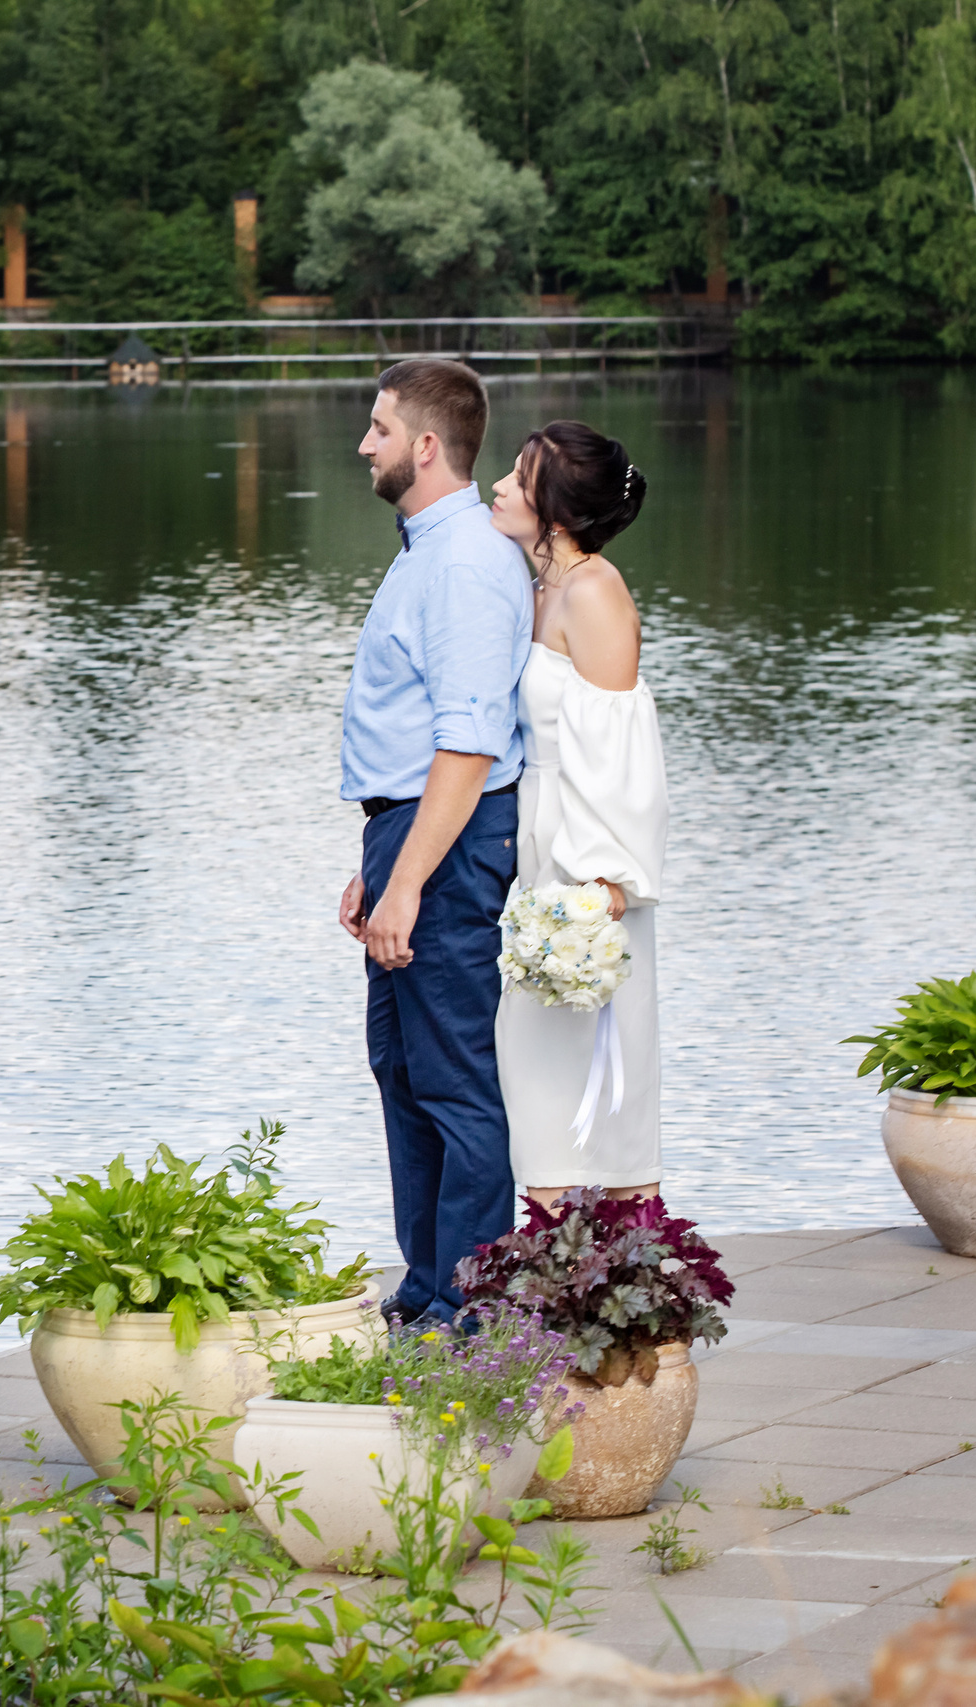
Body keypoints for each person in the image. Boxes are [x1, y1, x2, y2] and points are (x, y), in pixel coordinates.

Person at [337, 360, 533, 1330]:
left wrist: (408, 877)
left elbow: (468, 742)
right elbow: (420, 734)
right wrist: (376, 859)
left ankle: (469, 1305)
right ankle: (425, 1287)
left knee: (453, 1078)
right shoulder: (428, 550)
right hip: (412, 831)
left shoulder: (461, 565)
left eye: (377, 428)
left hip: (447, 846)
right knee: (402, 1067)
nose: (362, 445)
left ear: (423, 445)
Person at [483, 421, 665, 1206]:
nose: (497, 486)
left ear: (555, 509)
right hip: (536, 842)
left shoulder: (595, 591)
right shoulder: (535, 586)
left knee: (602, 1061)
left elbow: (624, 748)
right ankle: (548, 1261)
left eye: (518, 478)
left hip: (589, 859)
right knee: (532, 1063)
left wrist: (606, 885)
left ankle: (633, 1257)